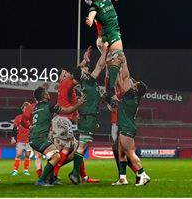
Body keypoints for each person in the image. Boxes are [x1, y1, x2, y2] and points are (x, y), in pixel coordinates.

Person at [84, 0, 138, 105]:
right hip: (105, 38)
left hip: (109, 36)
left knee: (119, 65)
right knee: (117, 62)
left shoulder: (105, 0)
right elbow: (93, 12)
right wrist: (90, 19)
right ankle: (114, 92)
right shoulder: (97, 5)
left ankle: (116, 92)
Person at [68, 44, 108, 184]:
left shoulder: (88, 82)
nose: (88, 69)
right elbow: (100, 66)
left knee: (83, 145)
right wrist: (104, 52)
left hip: (89, 116)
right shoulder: (88, 80)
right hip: (88, 116)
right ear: (83, 74)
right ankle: (73, 173)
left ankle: (76, 173)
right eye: (86, 69)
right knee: (82, 145)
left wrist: (86, 60)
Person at [29, 86, 84, 187]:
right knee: (56, 156)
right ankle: (41, 180)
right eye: (47, 92)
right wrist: (78, 104)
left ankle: (51, 178)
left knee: (67, 155)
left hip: (34, 138)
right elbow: (67, 111)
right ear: (45, 95)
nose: (48, 93)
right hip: (40, 138)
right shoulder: (49, 105)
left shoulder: (36, 108)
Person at [111, 78, 151, 186]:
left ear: (137, 89)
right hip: (125, 126)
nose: (133, 85)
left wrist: (119, 68)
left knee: (130, 153)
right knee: (121, 154)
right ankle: (122, 178)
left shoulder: (131, 95)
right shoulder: (132, 97)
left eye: (135, 84)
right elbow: (121, 105)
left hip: (126, 127)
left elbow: (120, 82)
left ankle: (143, 175)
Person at [10, 102, 32, 176]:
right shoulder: (18, 117)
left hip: (29, 140)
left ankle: (26, 170)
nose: (26, 110)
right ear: (22, 109)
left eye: (28, 109)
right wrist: (13, 137)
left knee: (27, 155)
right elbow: (14, 129)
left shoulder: (31, 118)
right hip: (20, 139)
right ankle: (15, 170)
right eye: (25, 108)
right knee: (18, 154)